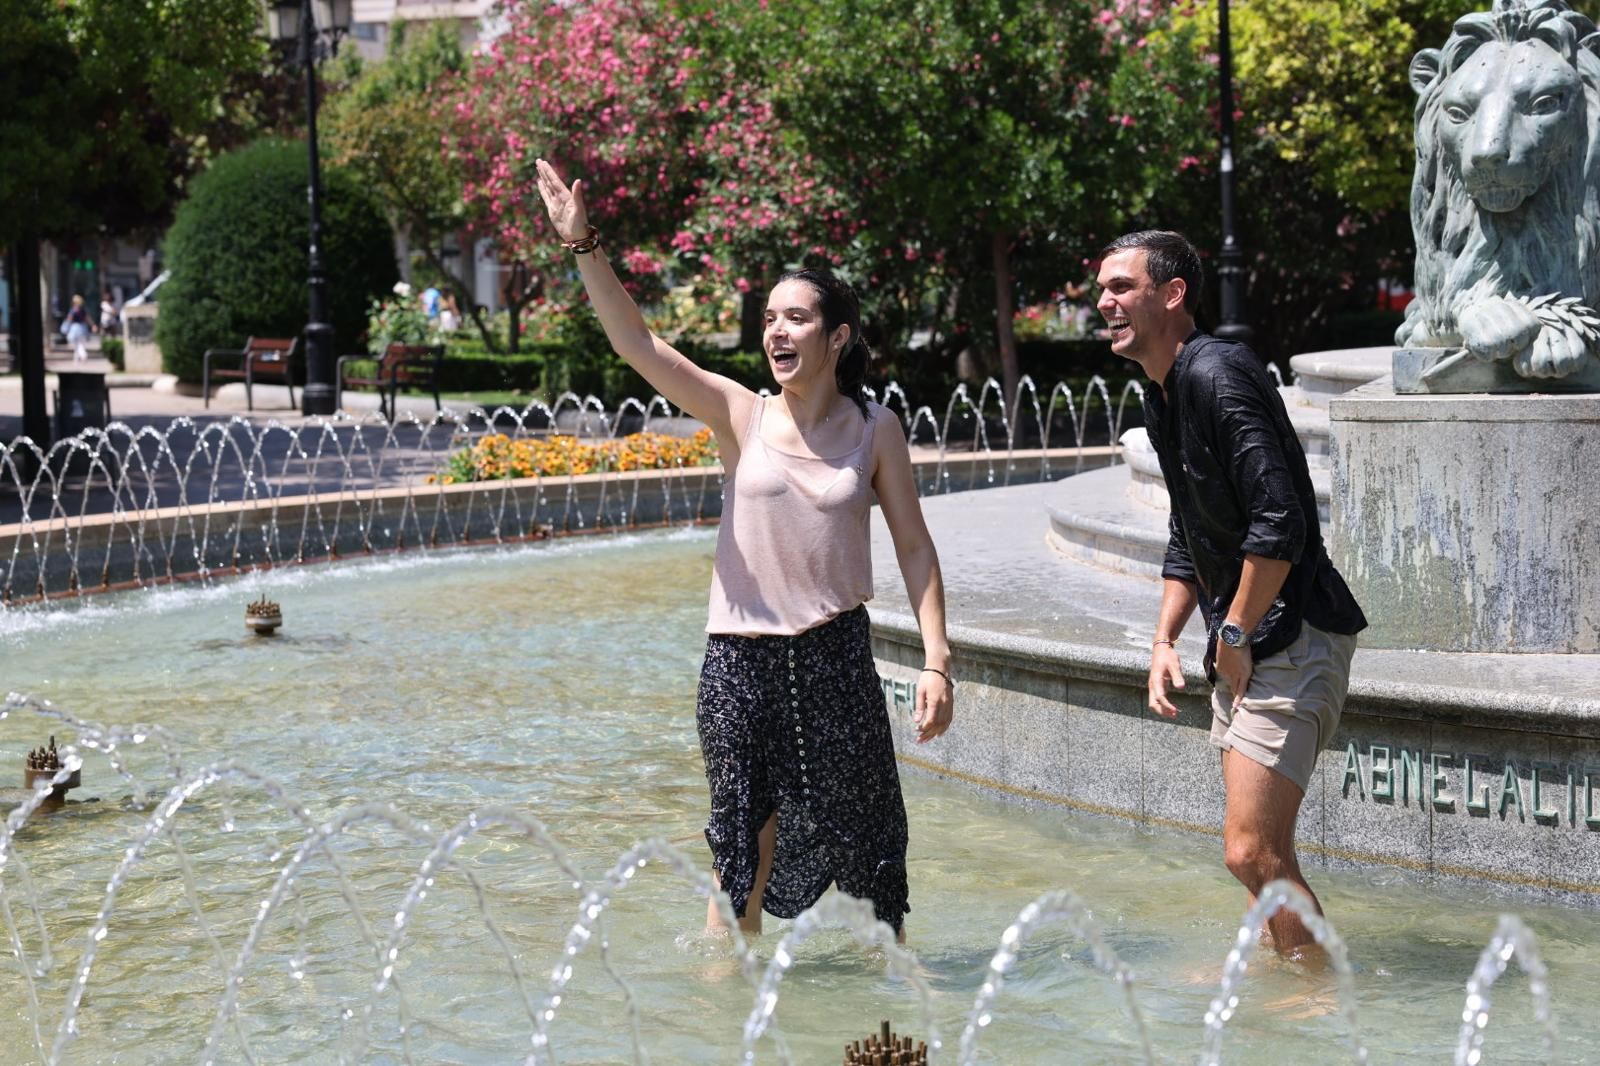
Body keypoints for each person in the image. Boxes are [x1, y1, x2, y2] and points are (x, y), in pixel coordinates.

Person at [534, 158, 954, 940]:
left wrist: (936, 660)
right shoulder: (740, 414)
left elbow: (916, 551)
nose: (775, 331)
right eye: (768, 319)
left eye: (794, 318)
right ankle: (726, 1000)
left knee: (874, 844)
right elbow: (638, 344)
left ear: (837, 336)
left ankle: (894, 1002)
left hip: (836, 656)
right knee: (738, 844)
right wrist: (584, 245)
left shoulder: (875, 429)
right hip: (740, 662)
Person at [1095, 230, 1366, 955]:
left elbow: (1280, 519)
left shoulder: (1218, 374)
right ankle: (1296, 978)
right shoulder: (1164, 392)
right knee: (1261, 853)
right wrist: (1164, 640)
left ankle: (1315, 998)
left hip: (1290, 634)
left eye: (1122, 287)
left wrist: (1236, 633)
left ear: (1173, 294)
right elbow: (1190, 530)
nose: (1105, 302)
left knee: (1250, 851)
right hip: (1248, 640)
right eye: (1102, 289)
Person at [61, 294, 96, 361]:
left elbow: (69, 319)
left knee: (77, 344)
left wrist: (66, 326)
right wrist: (93, 325)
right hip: (83, 328)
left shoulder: (73, 310)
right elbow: (87, 319)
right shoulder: (82, 310)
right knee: (80, 343)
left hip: (75, 328)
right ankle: (76, 358)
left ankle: (82, 355)